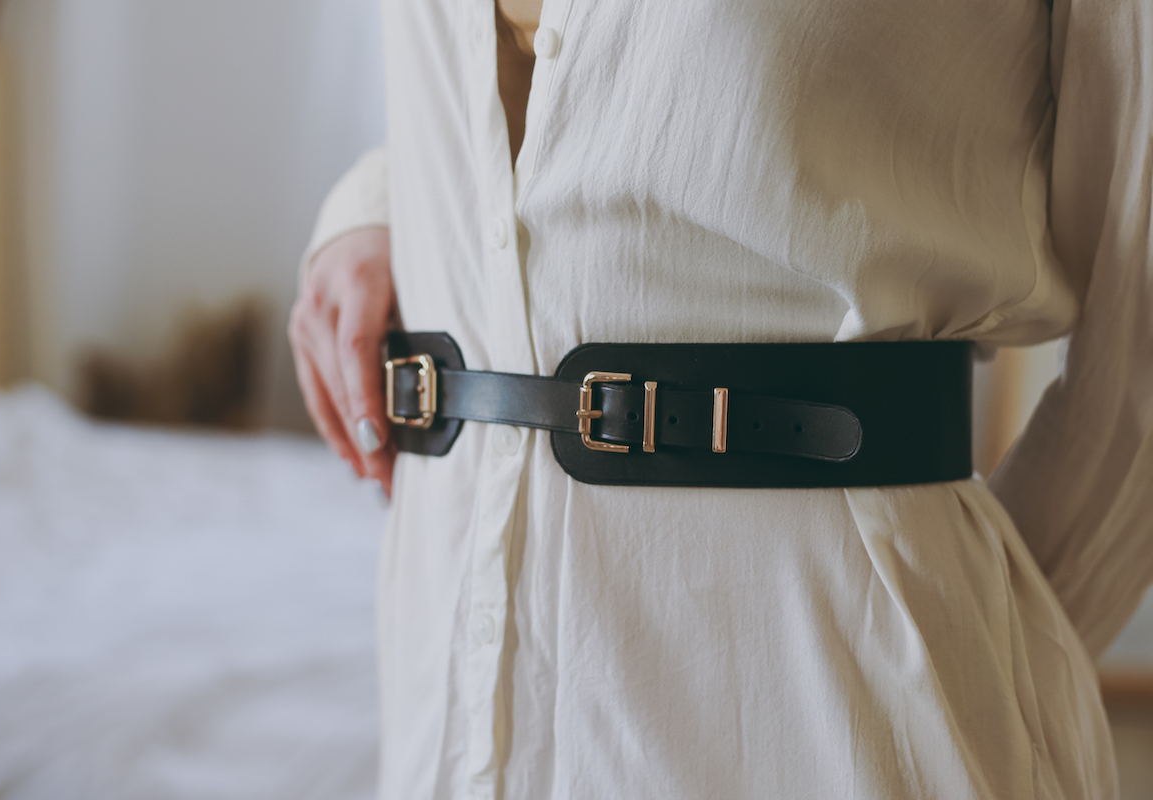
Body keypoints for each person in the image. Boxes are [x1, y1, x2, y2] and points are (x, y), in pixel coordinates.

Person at [288, 0, 1152, 797]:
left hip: (835, 712)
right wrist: (376, 203)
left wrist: (987, 652)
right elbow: (538, 95)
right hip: (449, 676)